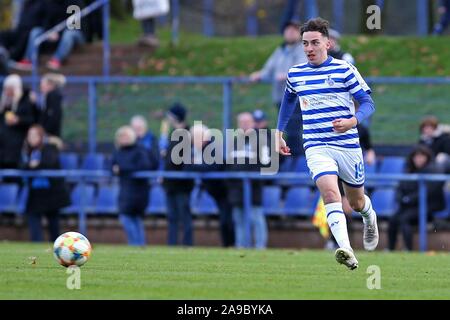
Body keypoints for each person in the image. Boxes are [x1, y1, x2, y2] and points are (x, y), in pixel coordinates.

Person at [275, 17, 378, 270]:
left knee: (356, 202)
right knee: (330, 193)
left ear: (328, 43)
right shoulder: (296, 73)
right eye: (305, 43)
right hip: (316, 144)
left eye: (314, 43)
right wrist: (279, 131)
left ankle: (369, 216)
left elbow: (368, 103)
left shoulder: (344, 69)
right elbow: (288, 101)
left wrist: (352, 120)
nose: (309, 48)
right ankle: (346, 249)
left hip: (347, 146)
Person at [250, 20, 307, 158]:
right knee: (286, 131)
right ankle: (291, 163)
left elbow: (302, 68)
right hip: (281, 97)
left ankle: (298, 165)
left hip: (296, 98)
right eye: (288, 29)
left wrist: (286, 74)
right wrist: (259, 75)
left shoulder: (302, 48)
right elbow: (269, 68)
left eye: (294, 30)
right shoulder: (281, 50)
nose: (290, 32)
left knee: (294, 132)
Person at [388, 145, 445, 251]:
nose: (418, 159)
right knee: (393, 219)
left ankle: (408, 249)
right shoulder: (408, 170)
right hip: (409, 206)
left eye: (421, 156)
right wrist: (401, 198)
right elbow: (400, 188)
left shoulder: (433, 170)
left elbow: (428, 192)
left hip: (428, 207)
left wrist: (409, 199)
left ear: (427, 157)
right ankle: (390, 249)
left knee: (404, 219)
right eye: (416, 157)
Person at [186, 123, 235, 247]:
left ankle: (231, 244)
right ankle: (228, 244)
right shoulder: (202, 150)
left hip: (225, 189)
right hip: (217, 191)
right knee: (225, 218)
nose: (193, 142)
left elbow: (210, 166)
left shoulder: (213, 147)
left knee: (227, 219)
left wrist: (193, 165)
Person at [22, 125, 70, 242]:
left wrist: (36, 165)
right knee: (33, 222)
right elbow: (22, 166)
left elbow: (49, 162)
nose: (31, 138)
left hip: (52, 194)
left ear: (41, 136)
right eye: (29, 135)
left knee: (54, 227)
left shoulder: (50, 148)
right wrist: (30, 165)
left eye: (34, 135)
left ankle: (58, 248)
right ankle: (36, 247)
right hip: (35, 194)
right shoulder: (27, 151)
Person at [227, 112, 268, 249]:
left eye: (247, 122)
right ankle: (241, 246)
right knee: (238, 219)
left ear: (253, 123)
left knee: (256, 217)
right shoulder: (234, 141)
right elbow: (229, 164)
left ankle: (260, 246)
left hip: (254, 186)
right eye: (241, 122)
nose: (244, 125)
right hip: (237, 187)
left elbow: (266, 163)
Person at [112, 126, 157, 246]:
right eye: (121, 136)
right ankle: (138, 245)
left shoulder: (140, 150)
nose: (123, 139)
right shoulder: (118, 151)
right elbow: (111, 166)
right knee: (130, 218)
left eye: (126, 136)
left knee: (130, 218)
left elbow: (145, 166)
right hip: (125, 190)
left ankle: (137, 245)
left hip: (139, 191)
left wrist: (122, 169)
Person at [13, 0, 87, 71]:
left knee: (69, 33)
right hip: (55, 33)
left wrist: (58, 32)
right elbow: (46, 21)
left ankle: (57, 59)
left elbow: (75, 25)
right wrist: (48, 32)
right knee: (36, 31)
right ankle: (30, 60)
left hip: (77, 34)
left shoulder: (75, 2)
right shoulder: (50, 2)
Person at [162, 103, 195, 246]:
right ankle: (172, 244)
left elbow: (182, 160)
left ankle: (187, 244)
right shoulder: (173, 134)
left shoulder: (187, 134)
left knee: (184, 216)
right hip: (170, 182)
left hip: (182, 183)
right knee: (172, 217)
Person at [0, 74, 35, 170]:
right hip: (3, 146)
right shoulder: (4, 102)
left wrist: (18, 120)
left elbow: (31, 120)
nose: (7, 92)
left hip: (16, 146)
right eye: (6, 89)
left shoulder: (25, 101)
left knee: (14, 171)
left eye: (10, 89)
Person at [34, 73, 66, 138]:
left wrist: (45, 129)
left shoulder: (52, 95)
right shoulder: (50, 96)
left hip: (50, 134)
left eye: (43, 84)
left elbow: (54, 115)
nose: (41, 86)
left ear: (51, 85)